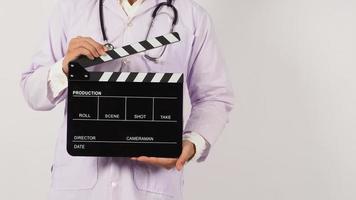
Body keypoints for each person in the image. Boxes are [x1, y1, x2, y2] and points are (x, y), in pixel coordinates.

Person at [20, 0, 234, 199]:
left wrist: (191, 144)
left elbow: (214, 96)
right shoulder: (72, 9)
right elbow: (33, 92)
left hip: (152, 187)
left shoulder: (193, 17)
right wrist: (64, 68)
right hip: (78, 184)